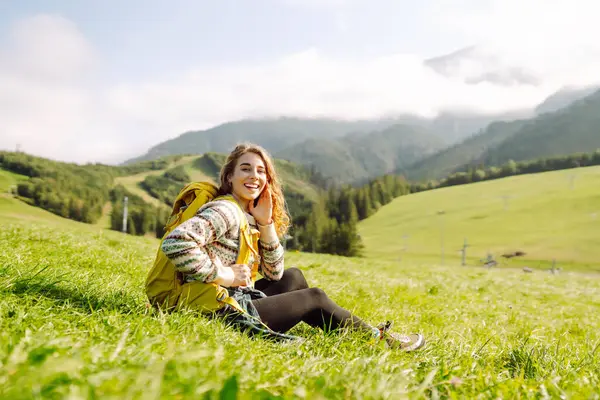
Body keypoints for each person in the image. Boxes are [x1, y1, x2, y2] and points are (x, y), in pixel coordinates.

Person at [160, 143, 425, 351]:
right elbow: (176, 243)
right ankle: (379, 339)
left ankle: (343, 327)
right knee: (314, 297)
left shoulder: (244, 214)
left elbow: (274, 274)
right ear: (229, 177)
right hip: (212, 309)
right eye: (246, 169)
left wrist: (265, 223)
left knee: (293, 277)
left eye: (261, 171)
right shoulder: (225, 210)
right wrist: (224, 274)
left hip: (220, 297)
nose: (255, 176)